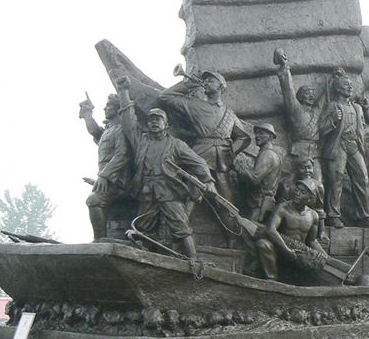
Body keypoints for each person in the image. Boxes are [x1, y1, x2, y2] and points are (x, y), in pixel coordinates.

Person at [116, 75, 215, 259]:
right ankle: (142, 258)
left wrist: (208, 180)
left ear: (165, 124)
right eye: (151, 120)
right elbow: (129, 122)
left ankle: (194, 261)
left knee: (181, 227)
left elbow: (199, 162)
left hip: (169, 192)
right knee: (143, 227)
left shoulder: (176, 144)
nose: (154, 122)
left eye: (158, 120)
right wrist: (123, 91)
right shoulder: (141, 141)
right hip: (147, 191)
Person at [158, 69, 250, 202]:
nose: (206, 83)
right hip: (199, 155)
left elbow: (243, 137)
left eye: (210, 81)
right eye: (205, 81)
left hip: (221, 162)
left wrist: (231, 152)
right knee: (192, 196)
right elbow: (164, 97)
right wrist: (187, 85)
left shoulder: (229, 113)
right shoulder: (194, 104)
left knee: (226, 198)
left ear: (220, 86)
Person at [319, 68, 369, 230]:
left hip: (354, 146)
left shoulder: (357, 108)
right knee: (336, 180)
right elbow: (320, 130)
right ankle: (333, 216)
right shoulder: (332, 105)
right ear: (337, 88)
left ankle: (364, 216)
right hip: (338, 146)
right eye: (346, 85)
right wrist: (332, 120)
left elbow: (361, 128)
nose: (350, 87)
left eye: (350, 85)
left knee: (362, 179)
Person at [78, 94, 132, 239]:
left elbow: (122, 155)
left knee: (94, 200)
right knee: (95, 199)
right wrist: (87, 114)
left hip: (120, 182)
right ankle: (101, 240)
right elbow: (95, 132)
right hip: (109, 180)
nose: (105, 108)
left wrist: (104, 176)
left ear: (118, 109)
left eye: (109, 106)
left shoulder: (121, 130)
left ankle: (100, 240)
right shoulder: (110, 130)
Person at [255, 179, 326, 280]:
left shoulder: (313, 216)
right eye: (297, 190)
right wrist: (286, 250)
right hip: (280, 249)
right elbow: (271, 230)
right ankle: (271, 279)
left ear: (310, 197)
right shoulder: (282, 208)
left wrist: (324, 256)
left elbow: (312, 241)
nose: (297, 194)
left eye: (302, 192)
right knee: (263, 244)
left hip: (298, 255)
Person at [274, 48, 322, 182]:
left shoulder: (316, 112)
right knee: (297, 183)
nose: (311, 96)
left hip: (315, 153)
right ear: (300, 97)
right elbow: (288, 90)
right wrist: (284, 66)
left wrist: (335, 80)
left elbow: (324, 100)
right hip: (298, 153)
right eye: (307, 93)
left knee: (318, 183)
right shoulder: (295, 110)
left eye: (312, 94)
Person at [237, 123, 282, 223]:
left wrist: (239, 168)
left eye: (261, 133)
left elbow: (254, 178)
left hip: (260, 203)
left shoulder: (267, 154)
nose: (257, 136)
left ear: (270, 136)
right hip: (263, 201)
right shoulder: (270, 153)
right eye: (256, 133)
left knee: (249, 229)